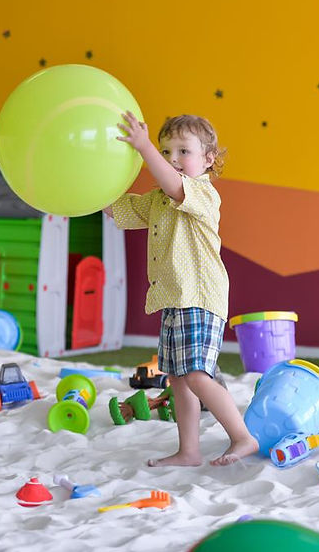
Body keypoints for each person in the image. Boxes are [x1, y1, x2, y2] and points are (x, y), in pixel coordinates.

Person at [104, 112, 259, 467]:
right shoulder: (157, 199)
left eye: (183, 151)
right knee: (177, 379)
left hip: (200, 296)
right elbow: (120, 209)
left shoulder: (203, 193)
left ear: (208, 160)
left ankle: (242, 437)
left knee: (196, 375)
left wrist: (144, 147)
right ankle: (189, 451)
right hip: (175, 298)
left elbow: (177, 187)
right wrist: (87, 194)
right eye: (165, 151)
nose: (172, 159)